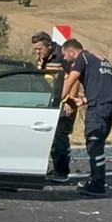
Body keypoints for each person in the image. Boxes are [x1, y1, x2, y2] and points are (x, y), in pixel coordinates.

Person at [60, 39, 112, 196]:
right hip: (111, 102)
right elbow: (103, 86)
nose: (65, 59)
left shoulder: (82, 58)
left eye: (65, 55)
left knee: (94, 142)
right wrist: (84, 100)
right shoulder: (100, 59)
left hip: (99, 106)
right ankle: (96, 178)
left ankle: (98, 184)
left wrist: (54, 100)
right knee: (98, 142)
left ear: (72, 52)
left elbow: (69, 82)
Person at [31, 31, 75, 182]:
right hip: (48, 101)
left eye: (40, 49)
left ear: (49, 46)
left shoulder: (63, 56)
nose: (37, 52)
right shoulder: (43, 57)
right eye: (35, 49)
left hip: (64, 102)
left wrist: (70, 101)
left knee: (59, 136)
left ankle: (62, 172)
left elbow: (75, 78)